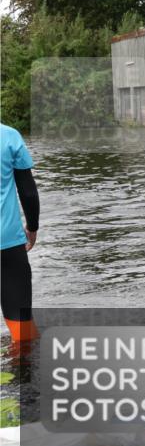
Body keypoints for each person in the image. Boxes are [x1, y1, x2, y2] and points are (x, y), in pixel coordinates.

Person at [1, 123, 41, 343]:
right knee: (21, 323)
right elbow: (28, 191)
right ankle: (24, 361)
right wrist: (32, 227)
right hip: (7, 242)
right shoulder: (9, 136)